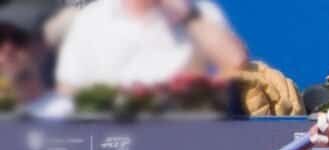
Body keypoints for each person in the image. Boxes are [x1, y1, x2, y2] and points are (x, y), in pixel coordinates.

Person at [54, 0, 246, 92]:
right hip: (109, 146)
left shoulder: (199, 11)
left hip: (185, 140)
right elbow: (68, 88)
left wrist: (187, 16)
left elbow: (236, 62)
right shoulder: (92, 17)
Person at [0, 2, 51, 108]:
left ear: (42, 45)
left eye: (19, 38)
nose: (8, 48)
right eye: (0, 38)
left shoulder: (65, 113)